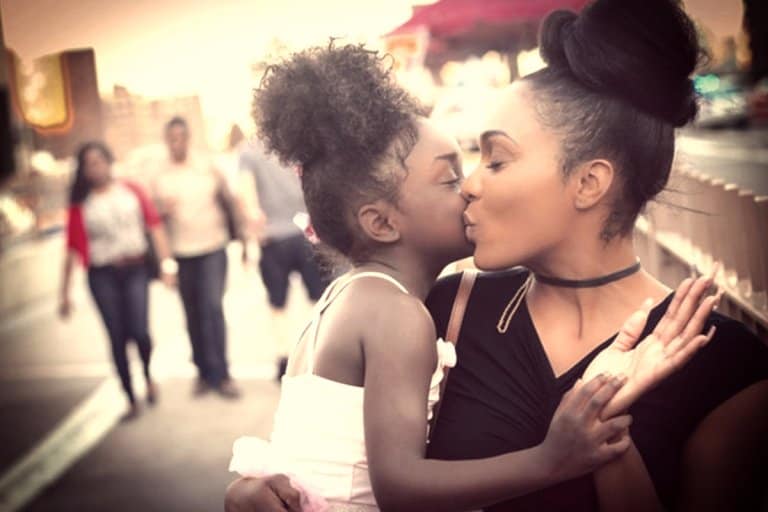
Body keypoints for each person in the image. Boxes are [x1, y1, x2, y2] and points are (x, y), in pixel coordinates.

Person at [225, 42, 718, 512]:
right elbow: (396, 486)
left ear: (590, 182)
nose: (471, 189)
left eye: (495, 161)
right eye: (451, 178)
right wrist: (551, 460)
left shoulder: (348, 299)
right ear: (381, 222)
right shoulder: (413, 313)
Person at [59, 141, 175, 420]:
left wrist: (167, 264)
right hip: (102, 276)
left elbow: (155, 227)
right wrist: (63, 294)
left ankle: (147, 376)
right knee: (117, 336)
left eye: (99, 160)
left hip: (135, 269)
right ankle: (130, 397)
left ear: (109, 162)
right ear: (83, 170)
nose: (95, 167)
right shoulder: (80, 205)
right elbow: (71, 250)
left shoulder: (131, 190)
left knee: (140, 331)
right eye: (89, 164)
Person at [150, 116, 242, 398]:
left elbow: (231, 201)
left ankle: (223, 374)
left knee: (212, 308)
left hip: (213, 247)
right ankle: (203, 373)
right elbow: (154, 219)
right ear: (166, 141)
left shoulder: (208, 167)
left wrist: (244, 238)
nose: (177, 143)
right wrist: (161, 211)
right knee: (192, 314)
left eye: (181, 137)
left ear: (188, 138)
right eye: (171, 138)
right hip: (181, 253)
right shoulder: (159, 175)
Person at [238, 139, 329, 380]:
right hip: (305, 232)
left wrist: (253, 226)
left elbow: (246, 196)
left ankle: (283, 357)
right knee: (317, 298)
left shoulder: (249, 153)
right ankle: (317, 354)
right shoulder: (297, 144)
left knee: (277, 304)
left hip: (273, 238)